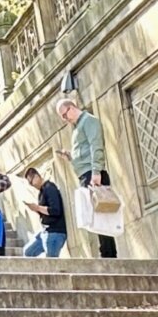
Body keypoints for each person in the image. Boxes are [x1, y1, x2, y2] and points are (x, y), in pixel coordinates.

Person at [59, 92, 118, 258]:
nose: (65, 119)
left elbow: (96, 146)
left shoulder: (89, 121)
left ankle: (108, 254)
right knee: (95, 216)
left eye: (65, 115)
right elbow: (84, 152)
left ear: (71, 108)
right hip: (86, 174)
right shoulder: (78, 128)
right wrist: (71, 157)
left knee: (102, 215)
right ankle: (106, 252)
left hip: (93, 175)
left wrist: (96, 171)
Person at [19, 158, 68, 258]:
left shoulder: (49, 187)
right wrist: (35, 209)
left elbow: (55, 210)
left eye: (31, 181)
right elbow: (45, 212)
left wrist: (37, 207)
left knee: (51, 262)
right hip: (46, 231)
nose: (32, 184)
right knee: (28, 252)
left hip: (55, 232)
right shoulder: (41, 192)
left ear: (37, 176)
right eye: (29, 183)